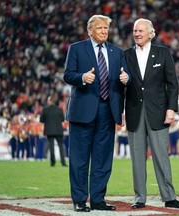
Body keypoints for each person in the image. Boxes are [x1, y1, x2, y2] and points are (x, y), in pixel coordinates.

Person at [63, 15, 129, 212]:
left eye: (106, 28)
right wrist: (82, 77)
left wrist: (127, 78)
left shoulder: (116, 52)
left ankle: (98, 199)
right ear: (89, 30)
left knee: (103, 159)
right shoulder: (76, 48)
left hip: (108, 110)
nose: (103, 31)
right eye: (99, 28)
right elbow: (67, 75)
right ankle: (80, 200)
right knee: (80, 159)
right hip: (83, 110)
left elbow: (125, 76)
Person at [124, 18, 179, 209]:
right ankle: (139, 198)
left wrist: (171, 108)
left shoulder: (163, 53)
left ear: (151, 33)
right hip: (134, 111)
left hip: (159, 112)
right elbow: (119, 85)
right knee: (137, 158)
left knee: (161, 156)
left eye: (141, 30)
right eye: (135, 30)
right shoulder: (125, 55)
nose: (137, 33)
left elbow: (172, 83)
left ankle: (169, 197)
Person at [40, 96, 67, 167]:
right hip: (58, 130)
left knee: (51, 147)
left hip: (49, 131)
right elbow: (63, 119)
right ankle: (63, 162)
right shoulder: (59, 109)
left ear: (49, 101)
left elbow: (41, 120)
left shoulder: (45, 110)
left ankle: (53, 163)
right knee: (61, 146)